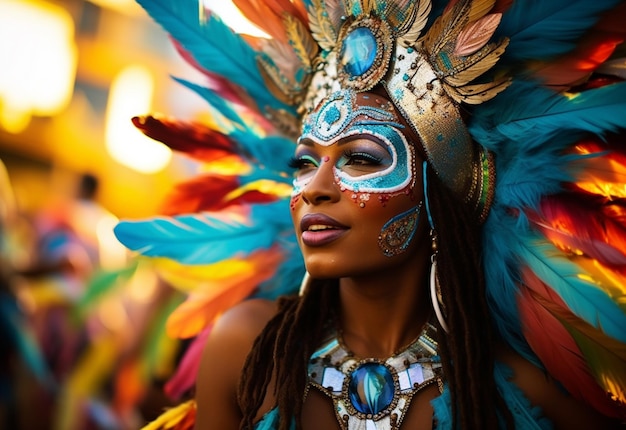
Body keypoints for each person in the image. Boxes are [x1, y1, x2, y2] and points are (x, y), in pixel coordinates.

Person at [114, 0, 626, 429]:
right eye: (305, 162)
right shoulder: (244, 347)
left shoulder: (509, 389)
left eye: (361, 158)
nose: (315, 188)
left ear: (437, 197)